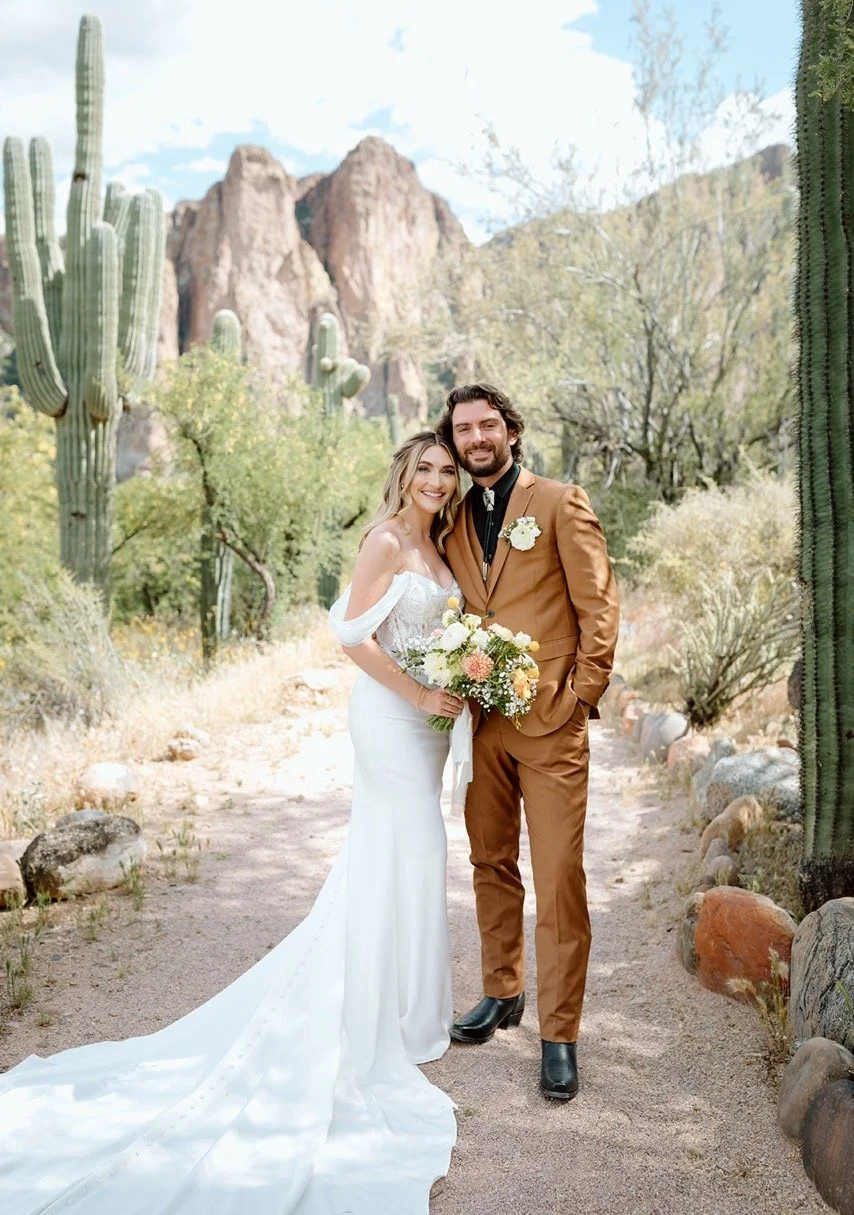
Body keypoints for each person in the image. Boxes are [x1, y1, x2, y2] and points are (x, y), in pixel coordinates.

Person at [0, 431, 464, 1215]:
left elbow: (436, 635)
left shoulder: (439, 543)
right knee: (405, 846)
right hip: (392, 716)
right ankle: (391, 1017)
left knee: (413, 856)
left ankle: (412, 1008)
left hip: (431, 724)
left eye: (447, 471)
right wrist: (419, 695)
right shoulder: (384, 540)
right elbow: (350, 637)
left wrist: (454, 684)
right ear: (404, 474)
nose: (438, 481)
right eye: (427, 468)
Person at [438, 383, 620, 1102]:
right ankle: (501, 990)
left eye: (487, 425)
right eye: (463, 430)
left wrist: (582, 694)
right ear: (453, 442)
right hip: (477, 724)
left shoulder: (557, 502)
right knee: (488, 862)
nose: (476, 438)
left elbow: (598, 604)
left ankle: (561, 1034)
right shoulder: (449, 514)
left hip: (550, 721)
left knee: (558, 878)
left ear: (511, 430)